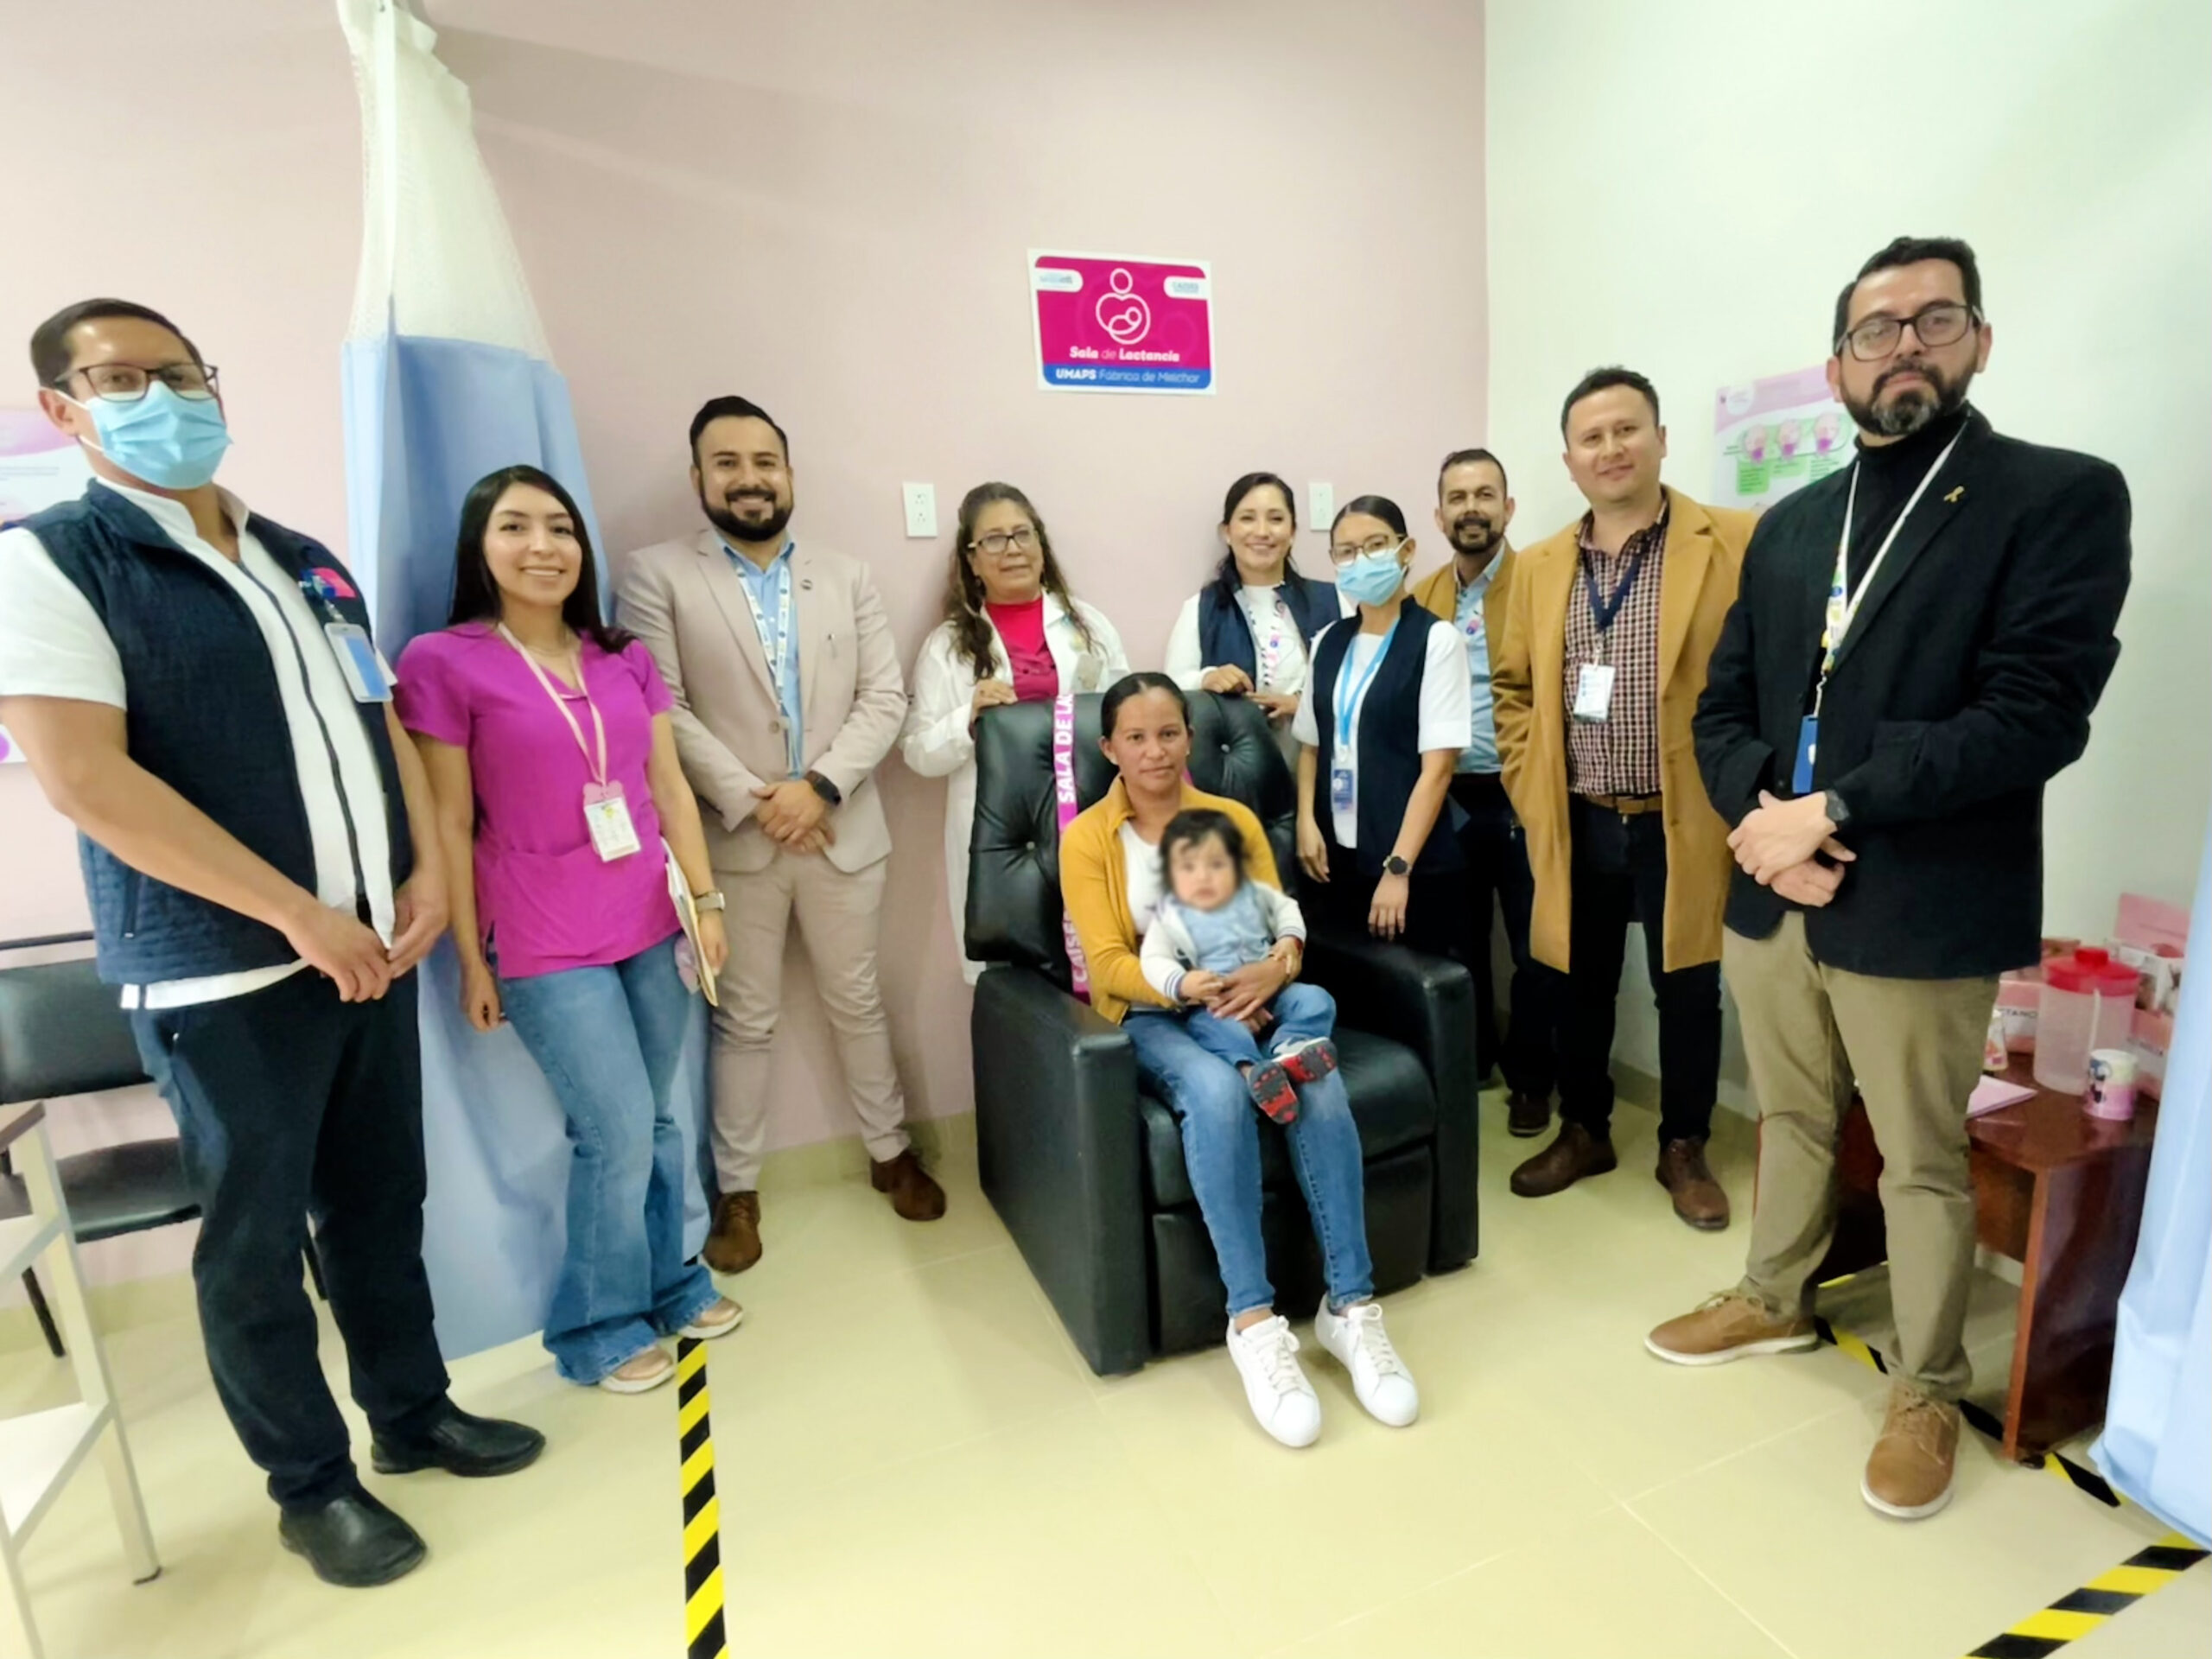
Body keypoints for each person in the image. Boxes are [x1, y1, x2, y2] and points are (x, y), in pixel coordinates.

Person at [0, 299, 541, 1588]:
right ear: (64, 410)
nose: (165, 398)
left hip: (372, 947)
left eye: (182, 373)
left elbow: (380, 722)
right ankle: (312, 1489)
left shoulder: (302, 559)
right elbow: (87, 782)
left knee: (378, 1204)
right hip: (225, 971)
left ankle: (412, 1414)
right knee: (252, 1248)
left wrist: (423, 873)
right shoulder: (50, 564)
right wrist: (297, 914)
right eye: (123, 380)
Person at [1648, 237, 2133, 1522]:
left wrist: (1832, 811)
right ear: (1837, 367)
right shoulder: (1794, 525)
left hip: (1918, 896)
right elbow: (1722, 707)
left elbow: (2033, 714)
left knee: (1919, 1158)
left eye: (1935, 320)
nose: (1904, 345)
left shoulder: (2055, 496)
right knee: (1791, 1117)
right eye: (1877, 329)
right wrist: (1769, 823)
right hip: (1776, 892)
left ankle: (1924, 1383)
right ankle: (1773, 1296)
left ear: (1981, 340)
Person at [396, 465, 744, 1395]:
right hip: (543, 937)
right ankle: (595, 1326)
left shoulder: (621, 655)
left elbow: (668, 789)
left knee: (659, 1117)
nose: (543, 546)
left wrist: (707, 903)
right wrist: (470, 960)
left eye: (560, 527)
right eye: (515, 527)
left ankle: (672, 1283)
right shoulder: (443, 661)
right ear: (480, 547)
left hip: (650, 918)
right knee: (615, 1129)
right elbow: (448, 823)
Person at [620, 396, 940, 1278]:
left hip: (842, 827)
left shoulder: (847, 575)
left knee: (859, 1001)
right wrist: (755, 799)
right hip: (734, 838)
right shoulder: (655, 575)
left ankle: (890, 1152)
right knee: (743, 1021)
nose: (749, 478)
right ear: (699, 478)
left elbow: (885, 697)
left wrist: (821, 787)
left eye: (764, 461)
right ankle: (738, 1190)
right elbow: (661, 708)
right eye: (727, 463)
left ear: (789, 473)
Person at [1063, 673, 1418, 1446]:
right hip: (1159, 1012)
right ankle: (1253, 1322)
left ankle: (1351, 1307)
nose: (1155, 751)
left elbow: (1279, 920)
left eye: (1168, 733)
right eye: (1135, 737)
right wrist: (1198, 986)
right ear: (1109, 748)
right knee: (1217, 1096)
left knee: (1317, 1081)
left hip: (1258, 996)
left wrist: (1275, 969)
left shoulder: (1232, 820)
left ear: (1190, 738)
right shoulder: (1089, 838)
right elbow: (1109, 962)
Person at [1491, 368, 1755, 1230]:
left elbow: (1763, 676)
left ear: (1661, 440)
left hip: (1684, 816)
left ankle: (1684, 1144)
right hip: (1578, 816)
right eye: (1591, 437)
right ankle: (1585, 1128)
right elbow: (1512, 689)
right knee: (1578, 981)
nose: (1610, 449)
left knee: (1688, 987)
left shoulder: (1733, 542)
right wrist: (1529, 780)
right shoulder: (1538, 565)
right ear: (1569, 460)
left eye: (1626, 430)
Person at [901, 481, 1129, 982]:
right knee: (1014, 973)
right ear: (972, 561)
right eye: (993, 540)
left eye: (1023, 534)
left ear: (1041, 546)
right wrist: (967, 718)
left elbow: (1127, 721)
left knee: (1101, 958)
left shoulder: (1089, 626)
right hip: (1005, 831)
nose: (1012, 549)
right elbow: (917, 751)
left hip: (1085, 815)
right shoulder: (948, 645)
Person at [1412, 448, 1560, 1138]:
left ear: (1508, 507)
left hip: (1523, 790)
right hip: (1447, 794)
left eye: (1484, 494)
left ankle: (1532, 1080)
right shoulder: (1422, 598)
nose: (1471, 508)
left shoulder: (1542, 584)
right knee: (1457, 941)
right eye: (1458, 497)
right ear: (1439, 514)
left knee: (1535, 947)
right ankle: (1469, 1060)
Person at [1294, 497, 1471, 959]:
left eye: (1375, 546)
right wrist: (1306, 823)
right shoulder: (1328, 641)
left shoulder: (1436, 640)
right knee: (1350, 985)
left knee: (1414, 987)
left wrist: (1398, 868)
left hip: (1410, 864)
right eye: (1347, 552)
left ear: (1406, 550)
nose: (1361, 560)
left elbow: (1438, 770)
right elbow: (1311, 746)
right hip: (1336, 857)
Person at [1139, 807, 1338, 1123]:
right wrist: (1182, 983)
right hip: (1217, 1006)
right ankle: (1254, 1074)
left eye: (1216, 864)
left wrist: (1289, 940)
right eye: (1189, 867)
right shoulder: (1171, 916)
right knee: (1217, 1031)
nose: (1203, 876)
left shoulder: (1254, 895)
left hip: (1271, 993)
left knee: (1316, 999)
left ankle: (1291, 1048)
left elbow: (1287, 909)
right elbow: (1153, 958)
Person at [1164, 472, 1347, 758]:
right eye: (1248, 518)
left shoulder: (1331, 601)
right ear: (1227, 532)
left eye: (1276, 519)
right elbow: (1170, 690)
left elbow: (1360, 682)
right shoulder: (1202, 607)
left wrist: (1305, 705)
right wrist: (1206, 678)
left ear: (1292, 532)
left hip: (1321, 761)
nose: (1262, 531)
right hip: (1233, 768)